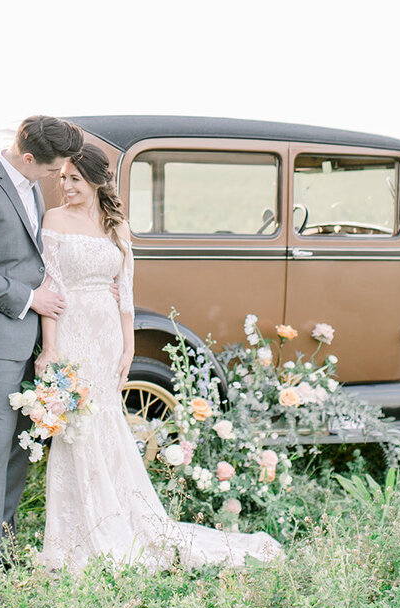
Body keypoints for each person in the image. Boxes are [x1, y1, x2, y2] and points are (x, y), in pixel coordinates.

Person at [37, 142, 282, 571]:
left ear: (95, 181)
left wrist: (129, 345)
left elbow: (126, 291)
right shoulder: (54, 220)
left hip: (109, 333)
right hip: (72, 329)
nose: (66, 186)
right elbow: (51, 289)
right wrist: (52, 349)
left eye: (74, 179)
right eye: (63, 178)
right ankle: (76, 534)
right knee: (77, 427)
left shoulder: (116, 226)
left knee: (107, 420)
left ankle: (121, 515)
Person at [0, 115, 84, 592]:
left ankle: (2, 550)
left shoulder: (30, 183)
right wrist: (31, 299)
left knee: (21, 447)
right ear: (28, 158)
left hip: (31, 338)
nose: (55, 178)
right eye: (51, 170)